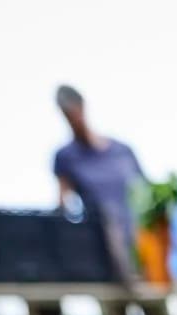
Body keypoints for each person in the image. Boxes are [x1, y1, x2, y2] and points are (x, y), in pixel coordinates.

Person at [51, 85, 147, 283]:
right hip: (106, 246)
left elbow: (145, 192)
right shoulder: (66, 157)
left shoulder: (122, 151)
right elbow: (62, 205)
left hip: (140, 238)